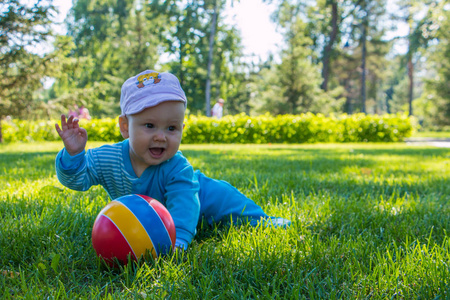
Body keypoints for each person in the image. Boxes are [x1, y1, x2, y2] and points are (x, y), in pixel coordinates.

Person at [54, 70, 290, 250]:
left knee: (231, 205)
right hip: (156, 214)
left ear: (181, 129)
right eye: (149, 125)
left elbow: (185, 206)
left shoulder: (178, 167)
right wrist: (74, 154)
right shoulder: (107, 158)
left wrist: (178, 241)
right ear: (125, 127)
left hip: (203, 194)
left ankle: (264, 220)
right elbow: (78, 180)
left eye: (171, 128)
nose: (160, 136)